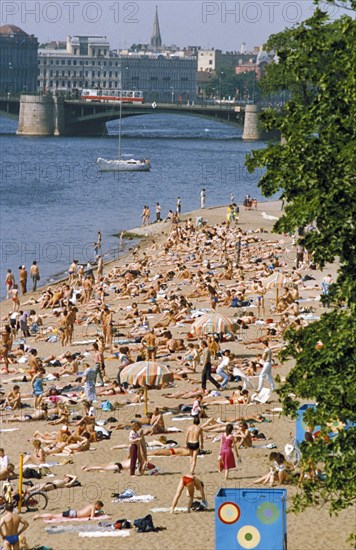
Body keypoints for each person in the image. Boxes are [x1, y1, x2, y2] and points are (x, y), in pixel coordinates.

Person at [33, 500, 104, 521]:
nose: (99, 509)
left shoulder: (90, 505)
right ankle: (38, 516)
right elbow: (92, 517)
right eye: (99, 507)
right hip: (73, 514)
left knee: (54, 516)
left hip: (73, 513)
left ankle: (39, 516)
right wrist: (98, 514)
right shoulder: (93, 507)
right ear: (98, 505)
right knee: (54, 516)